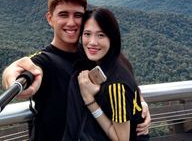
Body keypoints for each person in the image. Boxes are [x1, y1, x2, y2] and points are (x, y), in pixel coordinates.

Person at [2, 0, 151, 141]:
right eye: (63, 15)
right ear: (49, 18)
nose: (71, 22)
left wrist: (140, 104)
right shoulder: (45, 61)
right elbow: (23, 67)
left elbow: (121, 79)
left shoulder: (93, 53)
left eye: (78, 15)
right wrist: (11, 77)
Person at [62, 8, 150, 140]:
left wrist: (90, 101)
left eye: (101, 35)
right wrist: (141, 103)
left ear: (112, 38)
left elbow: (121, 139)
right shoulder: (117, 59)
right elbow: (133, 87)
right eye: (87, 34)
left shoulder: (116, 86)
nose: (92, 42)